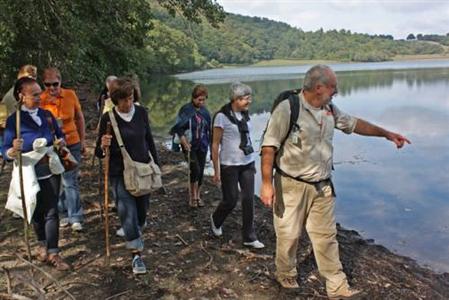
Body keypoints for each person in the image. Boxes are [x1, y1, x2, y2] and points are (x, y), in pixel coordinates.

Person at [260, 65, 411, 298]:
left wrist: (387, 133)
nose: (336, 93)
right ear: (319, 88)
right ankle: (286, 274)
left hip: (322, 186)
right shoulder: (288, 108)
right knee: (288, 235)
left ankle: (337, 287)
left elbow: (355, 124)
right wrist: (267, 184)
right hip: (290, 185)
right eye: (334, 89)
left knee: (326, 237)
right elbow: (269, 147)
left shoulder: (329, 108)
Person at [2, 77, 70, 270]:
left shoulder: (47, 116)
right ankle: (41, 243)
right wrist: (12, 150)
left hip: (49, 169)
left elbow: (60, 135)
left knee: (51, 211)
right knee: (35, 211)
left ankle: (54, 252)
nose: (40, 97)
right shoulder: (13, 121)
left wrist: (61, 142)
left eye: (40, 93)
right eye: (35, 94)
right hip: (28, 172)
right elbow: (4, 149)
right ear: (21, 96)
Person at [95, 77, 160, 274]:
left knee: (141, 213)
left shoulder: (141, 113)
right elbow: (99, 153)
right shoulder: (108, 119)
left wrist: (156, 165)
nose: (128, 103)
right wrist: (103, 145)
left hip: (142, 171)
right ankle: (136, 254)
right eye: (123, 100)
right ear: (115, 100)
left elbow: (148, 139)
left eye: (130, 98)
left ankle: (137, 231)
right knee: (127, 213)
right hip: (118, 173)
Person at [210, 82, 264, 249]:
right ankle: (216, 220)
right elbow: (215, 145)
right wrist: (216, 170)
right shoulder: (221, 117)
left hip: (247, 163)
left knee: (248, 199)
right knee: (230, 200)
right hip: (229, 165)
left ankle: (249, 236)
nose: (249, 101)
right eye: (246, 98)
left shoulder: (245, 115)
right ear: (236, 99)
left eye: (249, 98)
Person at [40, 67, 86, 231]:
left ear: (60, 81)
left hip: (71, 143)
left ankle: (76, 216)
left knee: (69, 180)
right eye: (47, 84)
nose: (51, 88)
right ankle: (64, 212)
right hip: (51, 146)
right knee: (56, 181)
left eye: (55, 84)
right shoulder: (41, 99)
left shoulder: (70, 95)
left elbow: (79, 118)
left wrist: (83, 141)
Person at [169, 84, 211, 207]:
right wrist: (184, 142)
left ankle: (198, 195)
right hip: (189, 144)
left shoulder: (205, 111)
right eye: (199, 100)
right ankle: (192, 196)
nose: (202, 102)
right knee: (195, 169)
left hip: (202, 144)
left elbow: (209, 129)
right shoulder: (185, 110)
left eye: (204, 100)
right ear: (193, 98)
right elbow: (179, 128)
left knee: (201, 170)